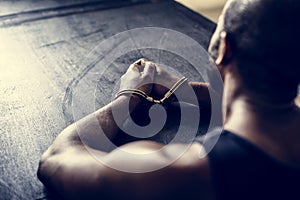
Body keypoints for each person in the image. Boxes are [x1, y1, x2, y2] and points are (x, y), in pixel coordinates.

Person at [37, 0, 300, 199]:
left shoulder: (182, 173)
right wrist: (180, 88)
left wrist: (128, 97)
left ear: (225, 48)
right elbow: (260, 95)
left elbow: (57, 158)